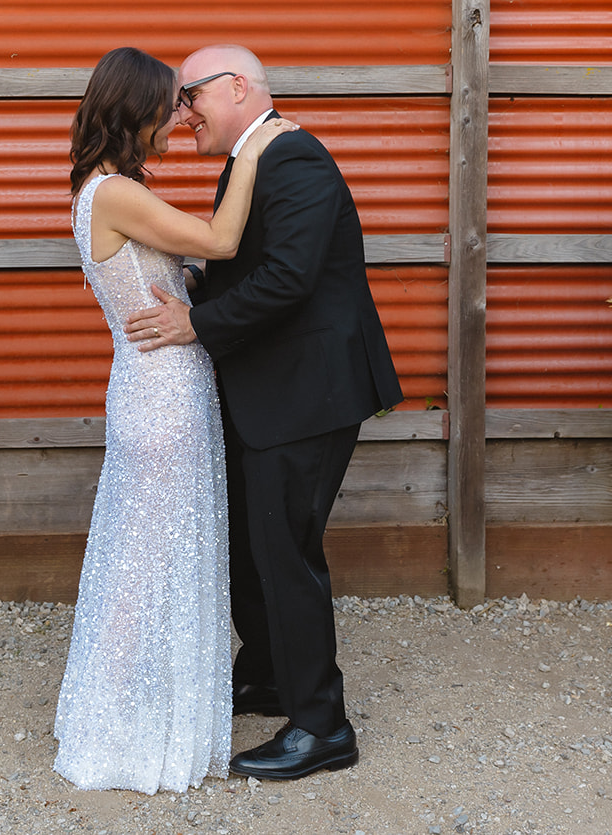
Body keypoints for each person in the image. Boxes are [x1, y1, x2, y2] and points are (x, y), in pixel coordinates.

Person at [125, 44, 404, 782]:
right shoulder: (250, 159)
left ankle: (322, 725)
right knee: (253, 544)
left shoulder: (295, 158)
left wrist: (196, 325)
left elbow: (289, 277)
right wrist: (190, 279)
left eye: (191, 97)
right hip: (269, 393)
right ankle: (271, 674)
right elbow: (245, 260)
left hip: (308, 396)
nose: (182, 114)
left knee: (287, 554)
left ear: (237, 87)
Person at [54, 46, 294, 794]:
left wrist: (188, 289)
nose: (182, 117)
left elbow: (183, 269)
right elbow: (221, 240)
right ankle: (119, 722)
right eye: (171, 105)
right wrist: (259, 138)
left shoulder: (111, 190)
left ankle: (128, 707)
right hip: (162, 399)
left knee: (148, 557)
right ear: (137, 111)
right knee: (143, 565)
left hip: (159, 390)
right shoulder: (113, 193)